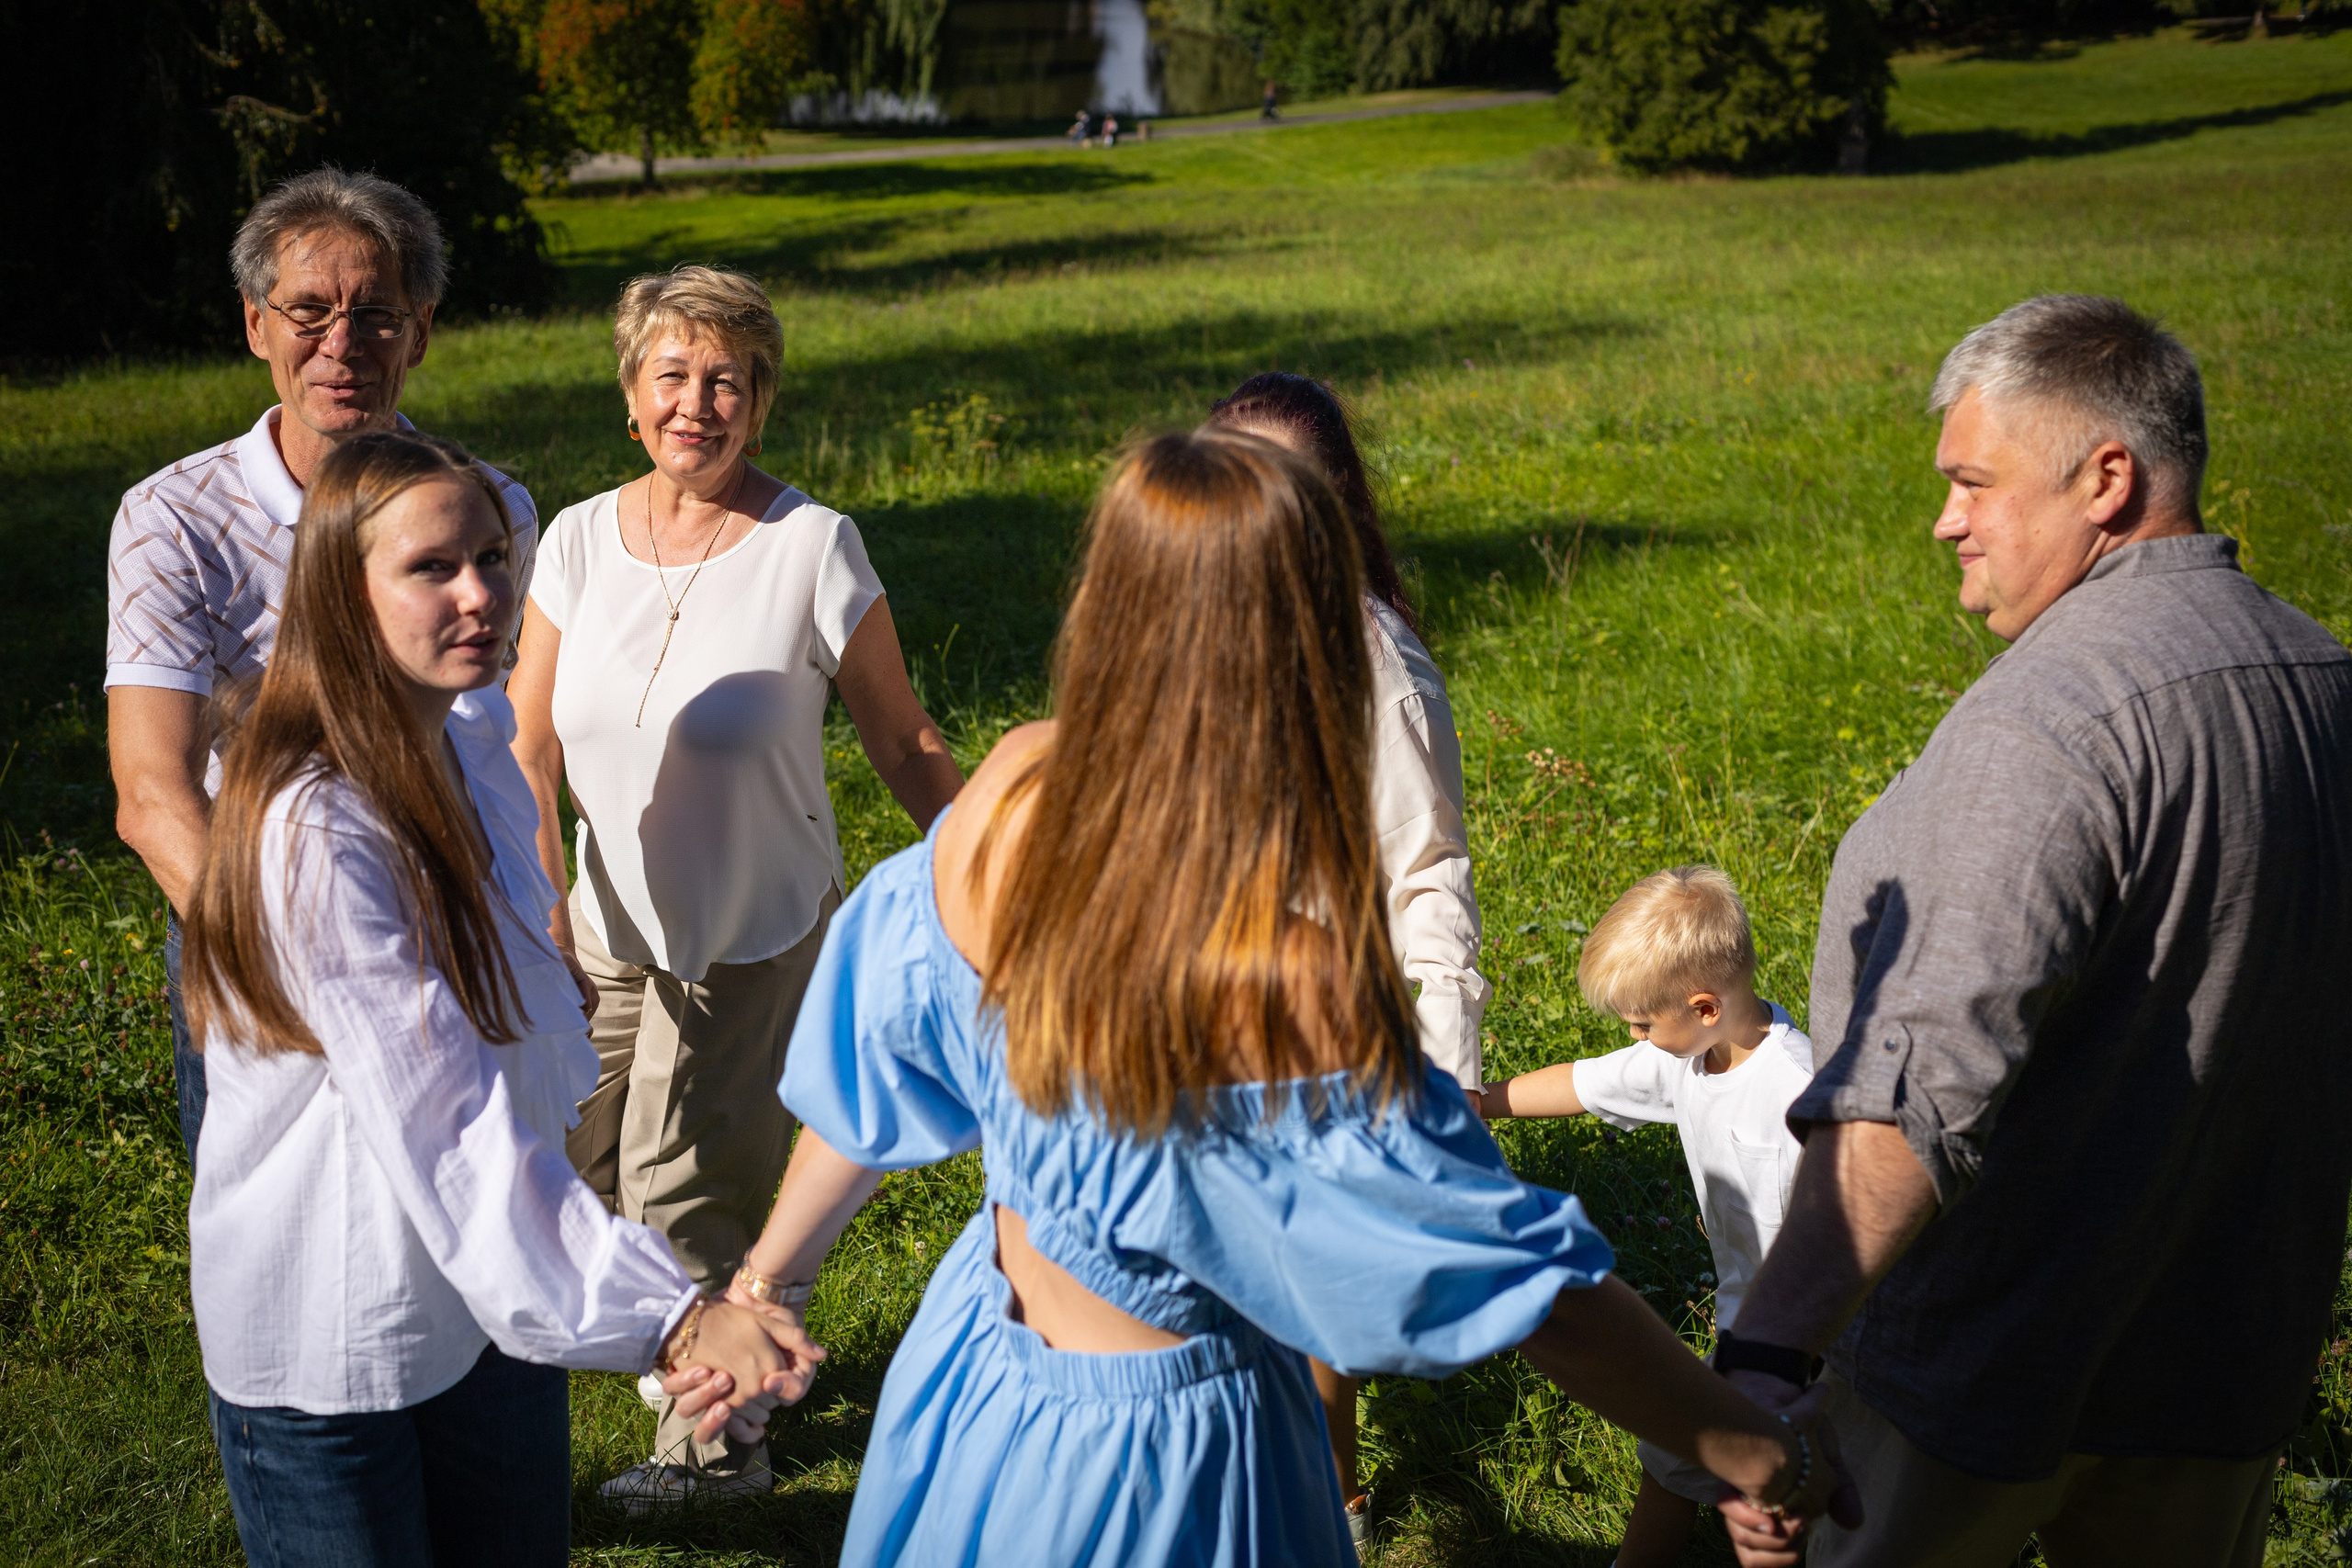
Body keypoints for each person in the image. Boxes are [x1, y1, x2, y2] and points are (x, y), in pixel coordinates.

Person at [714, 429, 1850, 1568]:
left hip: (976, 1380)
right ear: (1309, 632)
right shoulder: (1272, 959)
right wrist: (1761, 1452)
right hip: (1165, 1454)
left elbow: (877, 1057)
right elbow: (1513, 1281)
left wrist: (766, 1281)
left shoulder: (1013, 788)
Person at [1713, 295, 2352, 1567]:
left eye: (1972, 481)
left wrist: (1766, 1350)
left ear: (2105, 477)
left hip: (1987, 1374)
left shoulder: (2049, 719)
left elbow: (1918, 1084)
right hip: (2224, 1362)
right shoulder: (2323, 676)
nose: (1946, 520)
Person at [180, 430, 817, 1568]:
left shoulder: (465, 740)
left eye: (491, 557)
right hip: (345, 1333)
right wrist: (672, 1316)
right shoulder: (314, 828)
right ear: (342, 593)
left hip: (492, 1306)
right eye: (431, 569)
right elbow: (447, 1118)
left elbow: (516, 1061)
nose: (480, 595)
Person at [507, 262, 961, 1510]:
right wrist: (537, 896)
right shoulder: (577, 539)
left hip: (752, 934)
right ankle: (721, 1334)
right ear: (631, 395)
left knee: (680, 1191)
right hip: (598, 927)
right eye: (672, 376)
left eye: (727, 381)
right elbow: (525, 742)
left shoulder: (809, 544)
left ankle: (718, 1459)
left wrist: (993, 869)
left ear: (760, 405)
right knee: (557, 1156)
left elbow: (903, 738)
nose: (695, 404)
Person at [106, 168, 539, 1169]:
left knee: (470, 1213)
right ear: (256, 325)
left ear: (420, 333)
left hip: (450, 908)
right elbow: (152, 790)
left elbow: (493, 742)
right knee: (281, 1227)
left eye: (376, 316)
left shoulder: (489, 507)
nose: (341, 345)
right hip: (245, 915)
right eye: (308, 311)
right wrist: (285, 970)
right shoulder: (174, 519)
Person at [1207, 371, 1489, 1542]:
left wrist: (1440, 1074)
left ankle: (1334, 1502)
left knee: (1304, 1289)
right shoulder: (1195, 619)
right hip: (1187, 1003)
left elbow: (1428, 877)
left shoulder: (1375, 660)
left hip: (1315, 1025)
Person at [1478, 866, 1815, 1568]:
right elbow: (1581, 1080)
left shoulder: (1798, 1095)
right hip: (1742, 1330)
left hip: (1812, 1351)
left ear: (1704, 1006)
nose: (1634, 1035)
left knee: (1786, 1502)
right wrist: (1475, 1102)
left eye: (1641, 1021)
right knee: (1674, 1453)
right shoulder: (1690, 1057)